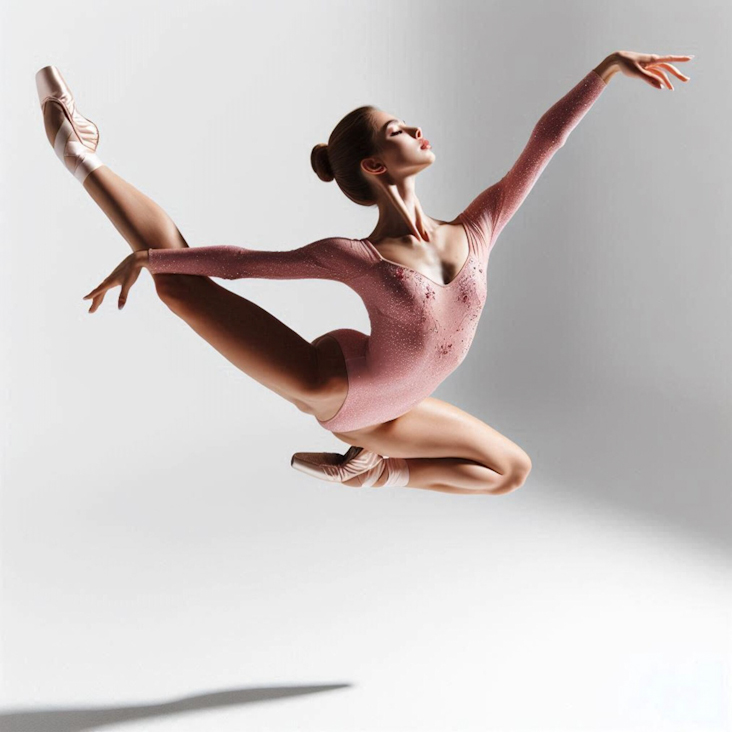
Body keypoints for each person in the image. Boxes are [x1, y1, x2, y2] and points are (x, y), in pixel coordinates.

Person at [37, 51, 692, 495]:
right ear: (376, 168)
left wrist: (605, 69)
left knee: (508, 471)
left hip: (391, 415)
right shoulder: (355, 256)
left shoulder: (479, 228)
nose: (417, 131)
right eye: (400, 131)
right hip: (335, 389)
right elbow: (239, 264)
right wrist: (148, 259)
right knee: (183, 289)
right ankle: (81, 156)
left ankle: (375, 473)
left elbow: (545, 140)